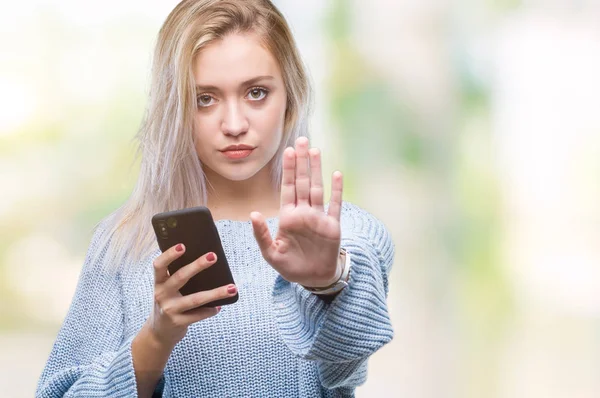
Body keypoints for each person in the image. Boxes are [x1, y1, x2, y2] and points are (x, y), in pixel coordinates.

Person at [35, 0, 395, 397]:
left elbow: (346, 367)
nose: (235, 125)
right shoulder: (124, 242)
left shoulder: (350, 235)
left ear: (290, 96)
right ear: (175, 107)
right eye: (205, 98)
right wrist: (156, 338)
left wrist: (328, 283)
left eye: (257, 93)